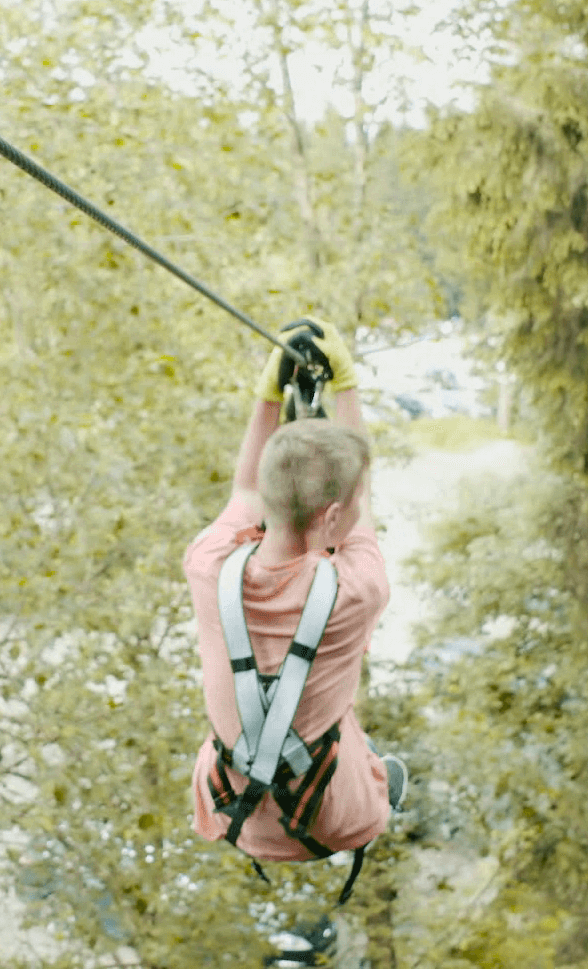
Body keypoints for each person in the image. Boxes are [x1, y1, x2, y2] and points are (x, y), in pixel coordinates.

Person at [183, 317, 404, 871]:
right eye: (349, 513)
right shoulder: (357, 591)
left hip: (229, 807)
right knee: (360, 746)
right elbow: (363, 497)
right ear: (332, 518)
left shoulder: (209, 567)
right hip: (334, 815)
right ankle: (372, 780)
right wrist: (345, 384)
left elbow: (244, 488)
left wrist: (267, 395)